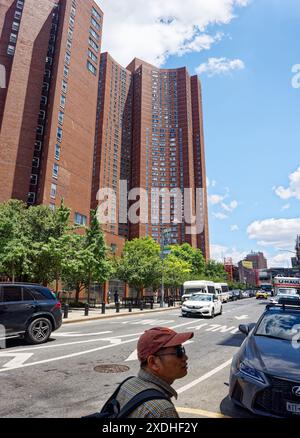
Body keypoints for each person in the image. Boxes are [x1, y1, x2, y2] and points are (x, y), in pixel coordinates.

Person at [115, 326, 193, 418]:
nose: (185, 357)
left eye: (182, 349)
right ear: (153, 362)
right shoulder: (163, 411)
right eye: (179, 352)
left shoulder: (127, 383)